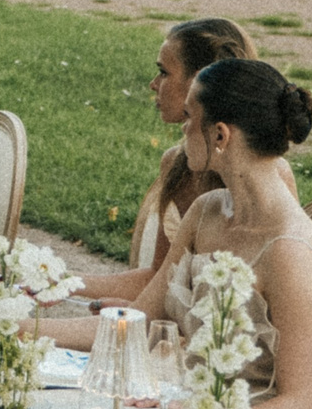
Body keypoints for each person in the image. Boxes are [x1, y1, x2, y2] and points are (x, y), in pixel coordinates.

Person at [57, 59, 312, 409]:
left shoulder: (290, 251)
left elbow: (299, 407)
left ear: (220, 135)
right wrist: (21, 329)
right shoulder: (206, 212)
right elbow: (136, 323)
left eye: (189, 117)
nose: (182, 128)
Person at [70, 18, 257, 304]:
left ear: (199, 81)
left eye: (163, 72)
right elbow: (160, 278)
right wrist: (60, 281)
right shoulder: (176, 163)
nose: (153, 84)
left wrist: (144, 318)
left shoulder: (261, 176)